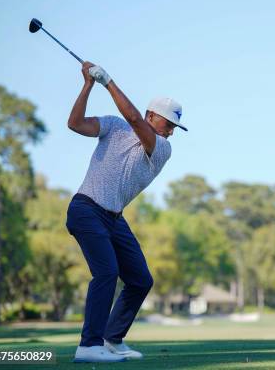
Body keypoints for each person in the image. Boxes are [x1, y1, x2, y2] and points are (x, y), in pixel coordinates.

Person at [65, 61, 187, 363]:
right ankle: (88, 346)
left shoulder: (161, 148)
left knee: (141, 279)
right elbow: (75, 124)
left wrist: (108, 80)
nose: (171, 132)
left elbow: (132, 118)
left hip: (114, 218)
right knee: (107, 272)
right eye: (168, 124)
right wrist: (88, 85)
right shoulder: (114, 125)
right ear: (152, 116)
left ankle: (111, 339)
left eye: (174, 127)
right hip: (86, 209)